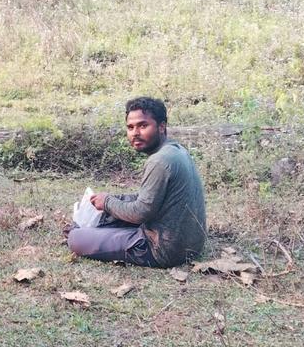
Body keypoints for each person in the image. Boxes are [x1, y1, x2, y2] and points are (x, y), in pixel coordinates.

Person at [67, 97, 206, 268]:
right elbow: (149, 199)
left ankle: (86, 233)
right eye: (130, 127)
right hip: (192, 245)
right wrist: (112, 200)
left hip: (165, 250)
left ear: (161, 126)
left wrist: (108, 202)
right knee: (105, 215)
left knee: (75, 238)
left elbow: (140, 213)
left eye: (143, 125)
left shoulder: (159, 161)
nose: (135, 133)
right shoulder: (176, 150)